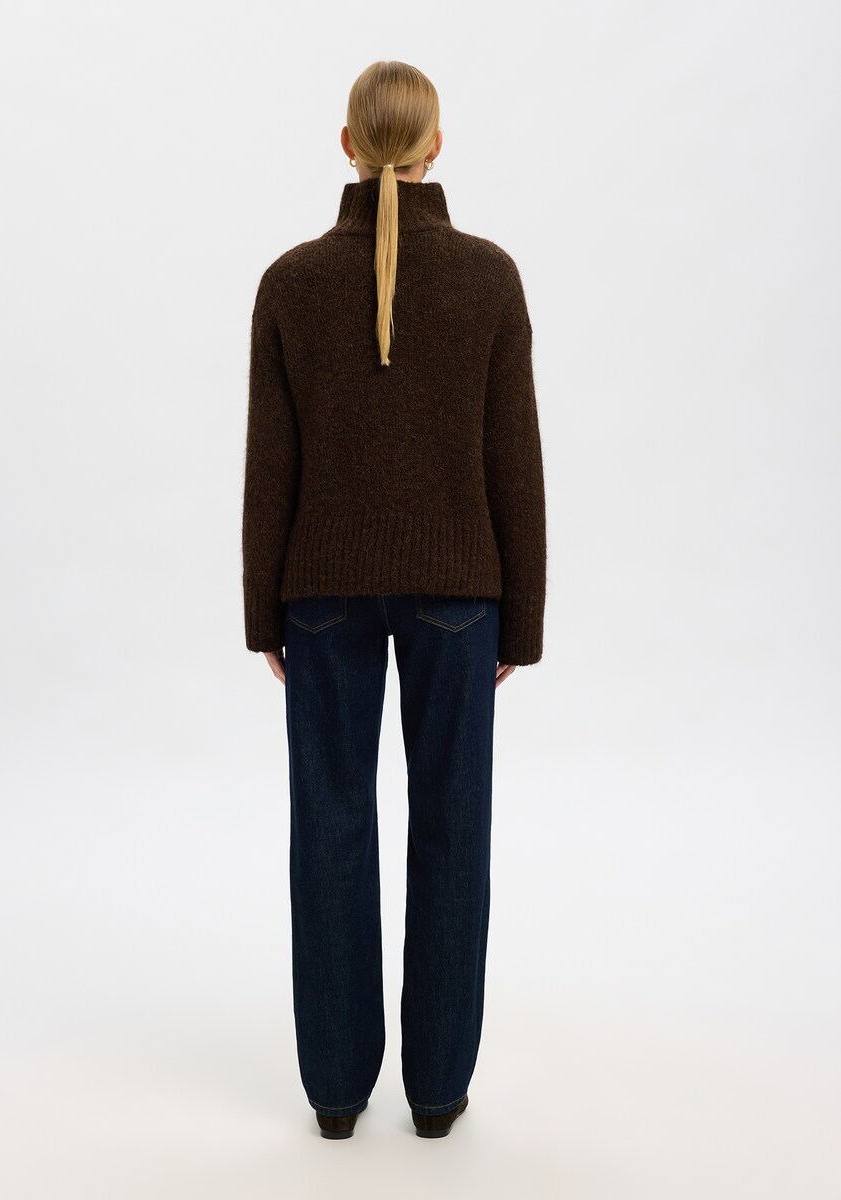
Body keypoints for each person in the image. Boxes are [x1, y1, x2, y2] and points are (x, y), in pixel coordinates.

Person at [241, 59, 547, 1139]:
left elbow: (269, 467)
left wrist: (263, 612)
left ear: (347, 145)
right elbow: (515, 462)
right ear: (435, 148)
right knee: (454, 829)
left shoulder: (289, 283)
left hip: (320, 594)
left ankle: (335, 1095)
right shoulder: (489, 278)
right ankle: (437, 1093)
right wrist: (522, 622)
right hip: (461, 594)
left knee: (328, 826)